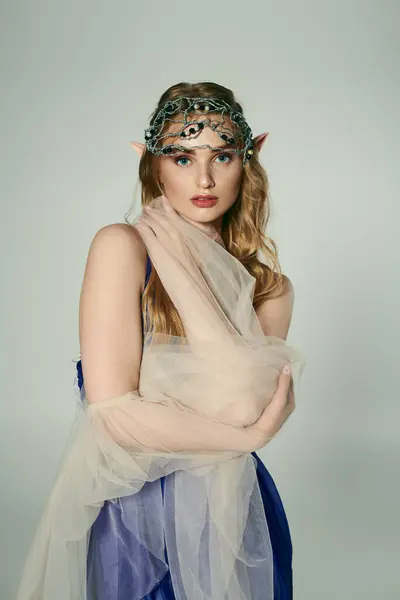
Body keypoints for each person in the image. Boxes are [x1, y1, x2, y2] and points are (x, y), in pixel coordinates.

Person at [16, 81, 305, 600]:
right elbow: (117, 417)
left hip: (237, 507)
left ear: (250, 158)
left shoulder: (268, 287)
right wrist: (249, 438)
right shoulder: (120, 247)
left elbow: (246, 404)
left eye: (222, 156)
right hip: (138, 517)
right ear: (150, 162)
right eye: (181, 157)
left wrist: (244, 427)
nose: (203, 177)